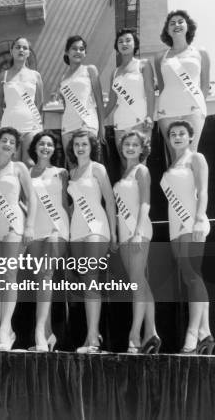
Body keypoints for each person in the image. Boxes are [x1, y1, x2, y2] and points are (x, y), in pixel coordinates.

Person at [160, 120, 213, 354]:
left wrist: (200, 217)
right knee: (190, 277)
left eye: (182, 133)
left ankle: (192, 333)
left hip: (192, 222)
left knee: (193, 276)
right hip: (175, 227)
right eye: (173, 134)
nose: (177, 137)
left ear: (190, 137)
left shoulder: (196, 158)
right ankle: (206, 332)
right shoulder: (172, 164)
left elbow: (202, 191)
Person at [0, 127, 34, 351]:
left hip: (15, 227)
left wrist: (30, 226)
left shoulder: (20, 168)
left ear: (15, 147)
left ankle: (4, 331)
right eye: (3, 141)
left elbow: (32, 200)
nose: (7, 144)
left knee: (10, 277)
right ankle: (7, 330)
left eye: (12, 142)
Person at [66, 130, 117, 353]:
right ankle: (91, 334)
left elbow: (110, 201)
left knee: (92, 279)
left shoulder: (98, 168)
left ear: (91, 146)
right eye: (77, 144)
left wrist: (114, 233)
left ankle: (93, 337)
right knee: (86, 282)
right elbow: (71, 206)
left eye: (84, 144)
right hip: (76, 230)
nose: (80, 148)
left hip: (97, 226)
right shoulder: (71, 172)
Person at [113, 130, 159, 353]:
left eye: (135, 145)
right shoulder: (125, 174)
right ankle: (151, 332)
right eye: (127, 144)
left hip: (138, 231)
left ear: (142, 149)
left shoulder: (142, 170)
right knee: (140, 283)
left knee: (136, 283)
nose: (130, 147)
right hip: (124, 234)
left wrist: (139, 231)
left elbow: (145, 204)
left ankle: (135, 334)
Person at [26, 131, 69, 351]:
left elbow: (64, 203)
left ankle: (39, 334)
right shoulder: (26, 172)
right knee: (40, 282)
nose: (45, 147)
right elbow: (22, 201)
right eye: (41, 144)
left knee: (46, 276)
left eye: (50, 145)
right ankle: (48, 334)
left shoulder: (60, 172)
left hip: (56, 227)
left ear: (54, 149)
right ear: (34, 147)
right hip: (35, 229)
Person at [155, 11, 210, 160]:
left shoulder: (200, 52)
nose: (176, 25)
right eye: (172, 23)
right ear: (167, 30)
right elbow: (161, 86)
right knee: (176, 157)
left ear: (188, 26)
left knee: (190, 156)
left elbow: (205, 85)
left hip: (192, 109)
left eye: (180, 21)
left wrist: (199, 106)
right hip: (167, 110)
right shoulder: (160, 57)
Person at [105, 29, 155, 162]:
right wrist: (96, 119)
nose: (124, 43)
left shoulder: (143, 64)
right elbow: (111, 102)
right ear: (117, 47)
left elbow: (150, 92)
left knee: (140, 164)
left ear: (135, 44)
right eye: (120, 41)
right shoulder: (114, 73)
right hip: (120, 122)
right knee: (125, 164)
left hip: (140, 120)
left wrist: (150, 116)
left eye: (128, 40)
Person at [0, 37, 44, 167]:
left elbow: (40, 103)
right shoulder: (2, 76)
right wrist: (7, 122)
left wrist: (32, 118)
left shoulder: (35, 75)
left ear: (28, 52)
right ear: (11, 51)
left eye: (25, 48)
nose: (21, 50)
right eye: (17, 47)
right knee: (12, 164)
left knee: (30, 162)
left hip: (31, 126)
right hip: (10, 126)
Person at [59, 36, 105, 159]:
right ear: (67, 52)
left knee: (88, 164)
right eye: (74, 48)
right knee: (72, 166)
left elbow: (99, 101)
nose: (78, 51)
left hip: (87, 122)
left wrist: (102, 126)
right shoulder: (63, 77)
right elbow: (65, 104)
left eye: (81, 49)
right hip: (67, 125)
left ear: (85, 53)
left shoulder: (90, 70)